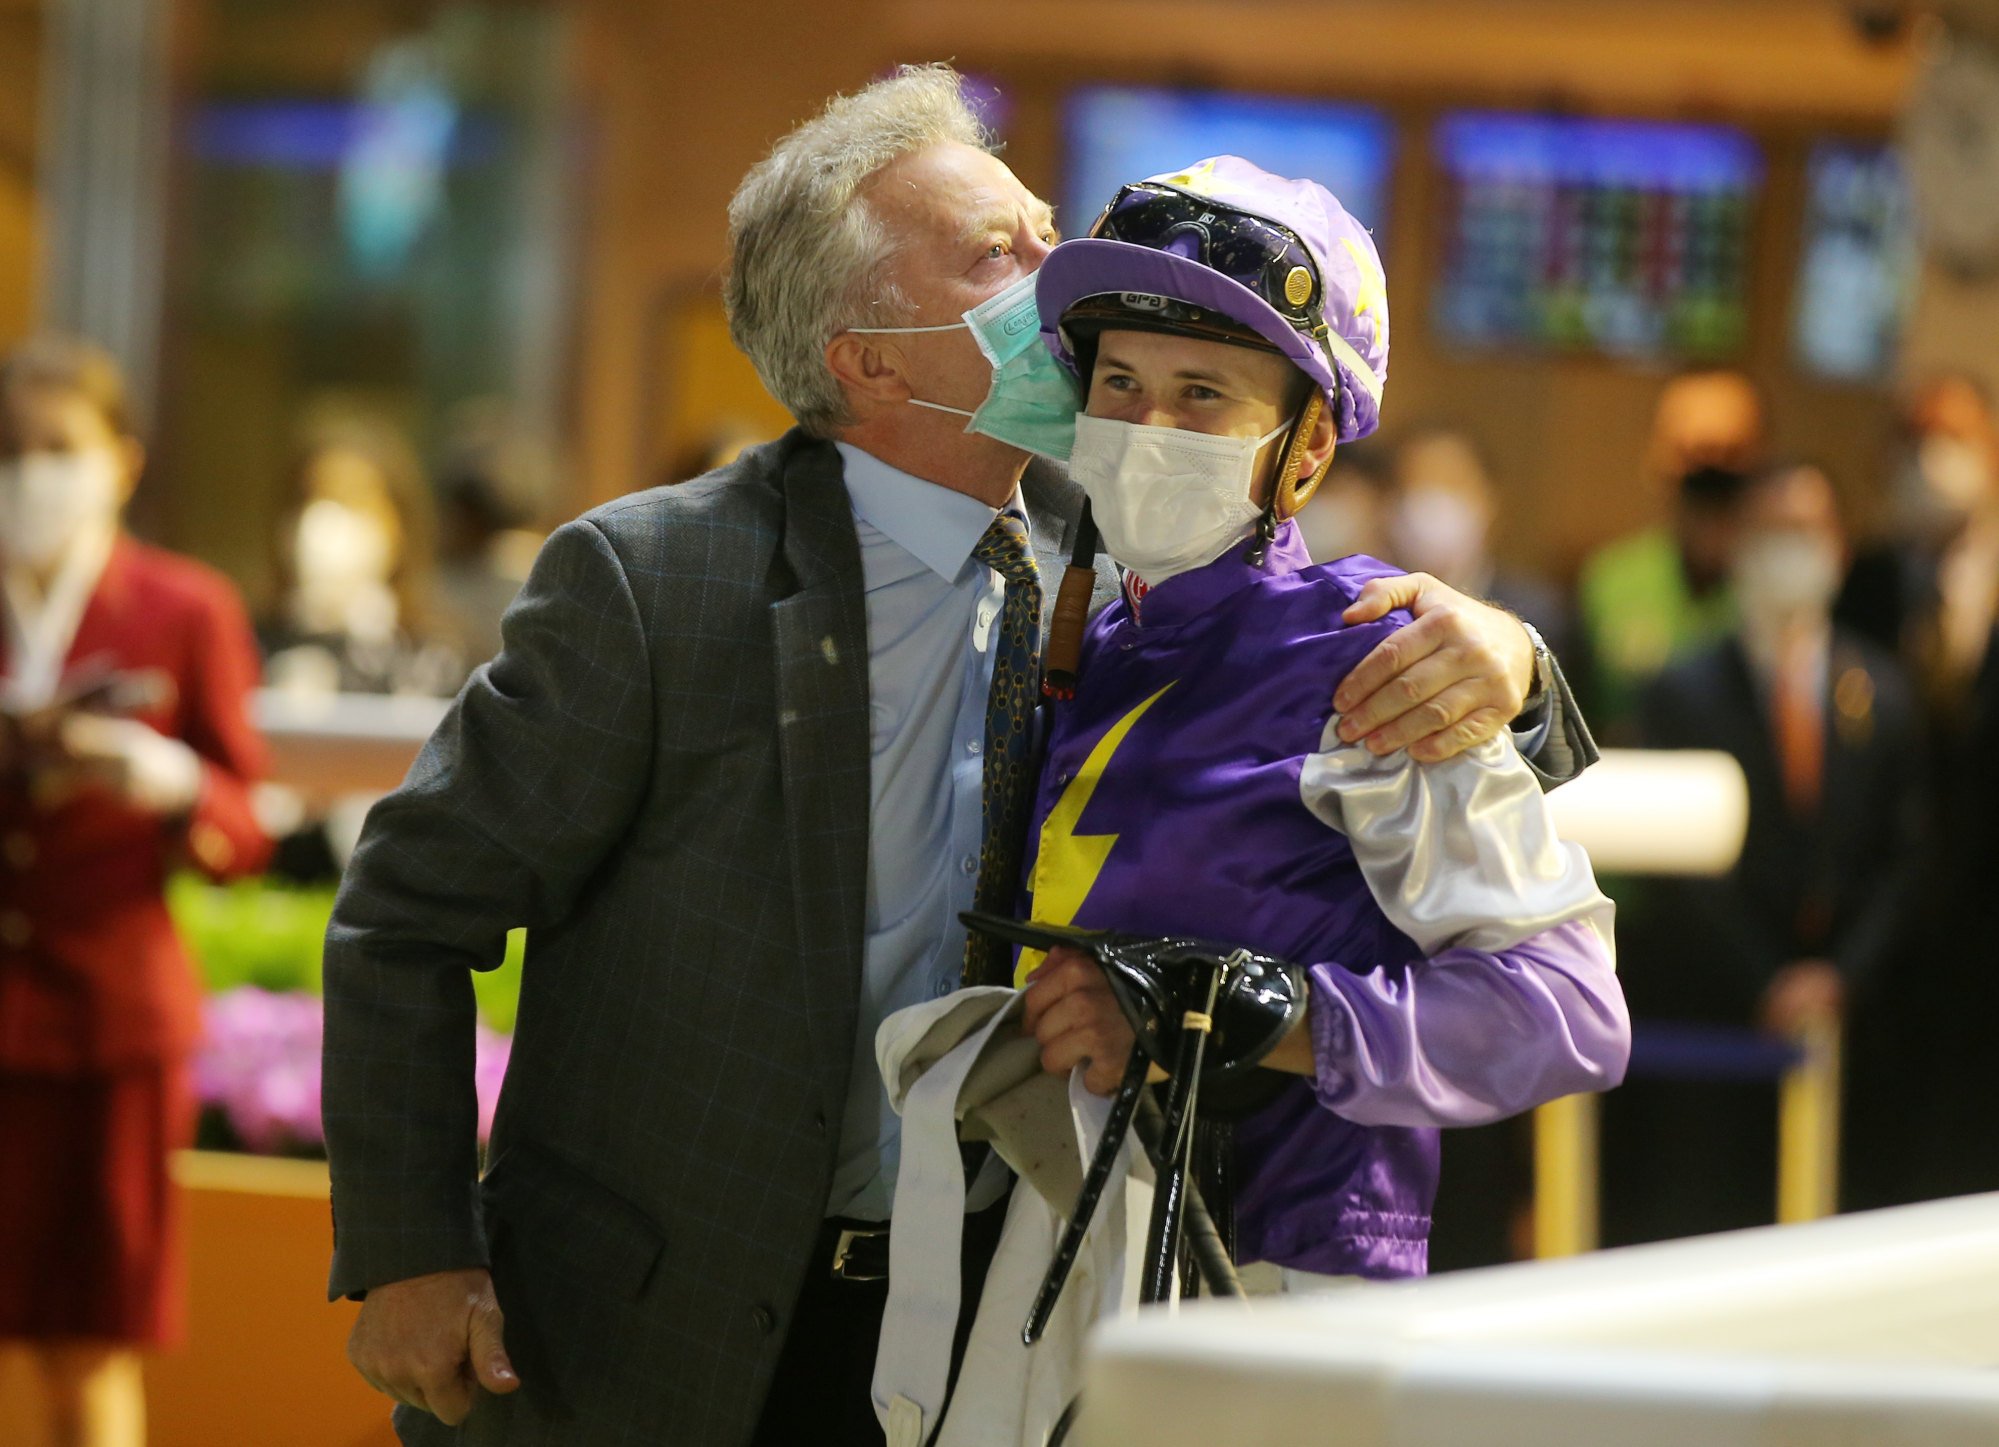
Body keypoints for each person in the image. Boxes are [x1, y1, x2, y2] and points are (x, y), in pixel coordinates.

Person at [322, 67, 1596, 1447]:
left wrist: (1514, 664)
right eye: (999, 250)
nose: (1058, 274)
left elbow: (1359, 709)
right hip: (638, 1328)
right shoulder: (656, 581)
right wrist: (409, 1247)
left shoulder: (1107, 565)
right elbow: (405, 910)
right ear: (870, 353)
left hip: (968, 1323)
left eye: (1046, 226)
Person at [997, 155, 1627, 1297]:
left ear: (1310, 449)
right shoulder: (1077, 646)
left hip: (1279, 1291)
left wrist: (1258, 1016)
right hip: (1051, 1276)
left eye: (1201, 395)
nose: (1145, 425)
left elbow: (1567, 1013)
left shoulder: (1377, 657)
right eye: (1121, 382)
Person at [0, 336, 271, 1447]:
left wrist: (173, 786)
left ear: (121, 459)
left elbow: (244, 824)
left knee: (89, 1338)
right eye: (10, 450)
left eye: (58, 450)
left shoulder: (181, 604)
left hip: (106, 1025)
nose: (30, 475)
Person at [1612, 462, 1922, 1237]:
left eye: (1807, 532)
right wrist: (1766, 978)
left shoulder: (1881, 688)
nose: (1791, 550)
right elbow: (1676, 860)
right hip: (1713, 1012)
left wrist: (1836, 976)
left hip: (1849, 1024)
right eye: (1770, 532)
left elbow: (1905, 854)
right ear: (1736, 545)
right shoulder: (1679, 689)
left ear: (1839, 549)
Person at [1576, 369, 1766, 738]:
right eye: (1693, 459)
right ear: (1659, 464)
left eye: (1729, 459)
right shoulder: (1610, 580)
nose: (1710, 484)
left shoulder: (1778, 589)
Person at [1388, 425, 1575, 664]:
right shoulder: (1369, 608)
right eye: (1415, 485)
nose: (1433, 503)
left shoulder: (1539, 612)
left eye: (1451, 483)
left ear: (1489, 498)